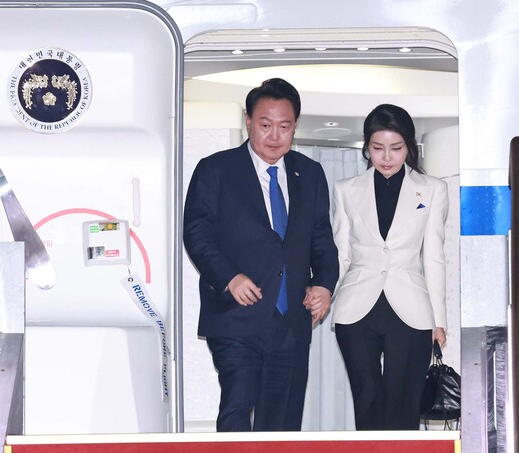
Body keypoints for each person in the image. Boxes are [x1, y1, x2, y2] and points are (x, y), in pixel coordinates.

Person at [183, 78, 339, 432]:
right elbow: (197, 232)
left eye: (284, 126)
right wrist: (228, 277)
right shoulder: (216, 169)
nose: (274, 136)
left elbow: (321, 239)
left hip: (291, 321)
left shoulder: (309, 173)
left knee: (282, 425)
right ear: (248, 121)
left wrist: (324, 284)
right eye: (265, 125)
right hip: (237, 317)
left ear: (295, 126)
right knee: (237, 410)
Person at [331, 103, 448, 430]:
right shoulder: (345, 189)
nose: (386, 157)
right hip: (356, 308)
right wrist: (326, 297)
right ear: (366, 147)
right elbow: (341, 253)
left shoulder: (433, 189)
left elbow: (434, 256)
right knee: (366, 400)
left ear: (409, 147)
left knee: (404, 404)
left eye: (396, 148)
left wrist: (438, 320)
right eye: (377, 148)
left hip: (411, 307)